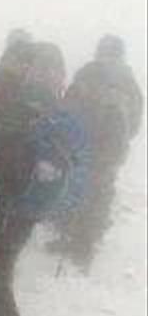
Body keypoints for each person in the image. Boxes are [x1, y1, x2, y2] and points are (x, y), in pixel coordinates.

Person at [0, 40, 90, 316]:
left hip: (19, 201)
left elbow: (13, 157)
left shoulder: (30, 106)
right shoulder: (43, 104)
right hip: (28, 199)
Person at [52, 35, 145, 272]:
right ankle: (85, 244)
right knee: (99, 192)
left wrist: (66, 132)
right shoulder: (129, 83)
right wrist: (121, 141)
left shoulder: (88, 73)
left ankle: (69, 236)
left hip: (81, 140)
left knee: (75, 186)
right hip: (111, 147)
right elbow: (135, 120)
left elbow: (68, 104)